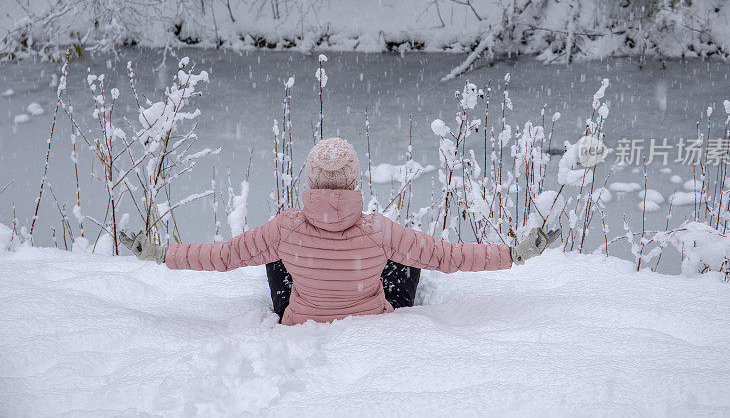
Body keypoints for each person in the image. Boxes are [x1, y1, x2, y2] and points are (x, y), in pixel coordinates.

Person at [120, 138, 560, 326]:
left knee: (273, 253)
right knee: (414, 254)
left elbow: (224, 255)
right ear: (354, 183)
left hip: (300, 317)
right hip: (369, 314)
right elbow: (449, 255)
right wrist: (516, 254)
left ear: (310, 181)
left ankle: (317, 290)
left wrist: (161, 253)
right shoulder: (378, 229)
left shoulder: (286, 226)